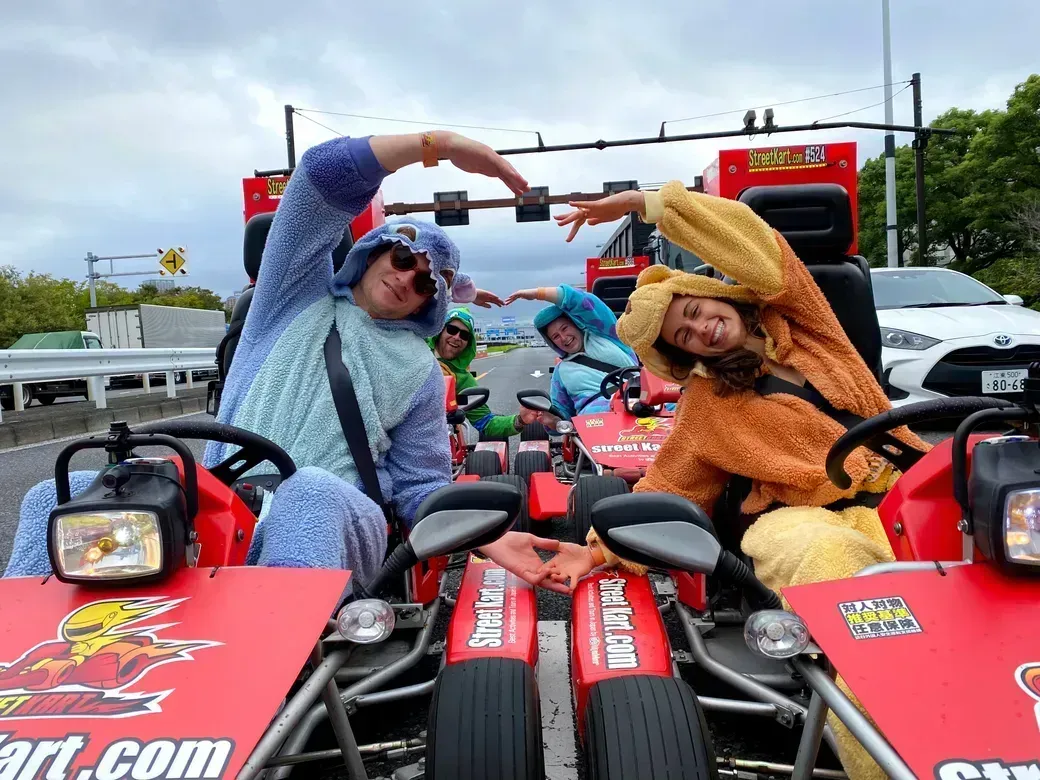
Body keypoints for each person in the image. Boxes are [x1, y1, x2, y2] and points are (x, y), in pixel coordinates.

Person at [4, 130, 567, 596]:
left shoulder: (421, 371)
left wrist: (485, 537)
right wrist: (436, 145)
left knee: (309, 493)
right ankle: (24, 668)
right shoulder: (290, 298)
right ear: (375, 249)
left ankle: (285, 658)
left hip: (343, 511)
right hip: (225, 507)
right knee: (58, 495)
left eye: (424, 281)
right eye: (402, 257)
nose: (405, 278)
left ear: (431, 301)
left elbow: (419, 485)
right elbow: (317, 182)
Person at [538, 182, 931, 779]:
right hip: (802, 519)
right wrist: (597, 550)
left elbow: (759, 248)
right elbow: (670, 486)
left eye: (696, 311)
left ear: (713, 293)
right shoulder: (706, 407)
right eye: (684, 335)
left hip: (910, 491)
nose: (702, 329)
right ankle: (901, 758)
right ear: (682, 357)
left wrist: (649, 205)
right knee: (844, 584)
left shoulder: (806, 325)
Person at [504, 285, 638, 419]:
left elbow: (584, 303)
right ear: (552, 342)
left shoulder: (607, 335)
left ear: (576, 323)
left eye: (565, 328)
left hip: (640, 406)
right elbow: (561, 415)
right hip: (594, 425)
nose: (563, 338)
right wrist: (550, 420)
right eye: (555, 336)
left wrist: (538, 293)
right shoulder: (560, 373)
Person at [429, 306, 541, 438]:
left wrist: (520, 420)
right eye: (452, 330)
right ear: (440, 329)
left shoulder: (463, 380)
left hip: (435, 437)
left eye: (464, 335)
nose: (457, 337)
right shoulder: (417, 349)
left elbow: (487, 423)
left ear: (468, 343)